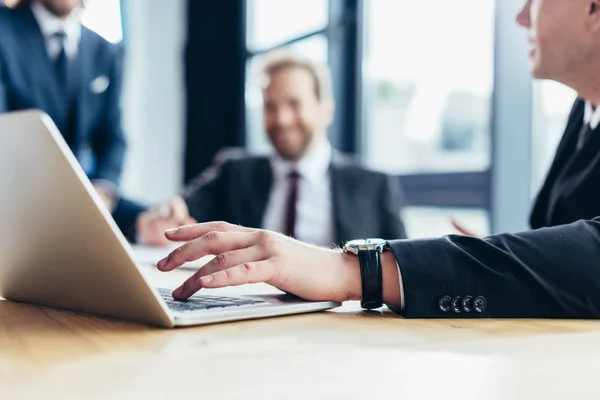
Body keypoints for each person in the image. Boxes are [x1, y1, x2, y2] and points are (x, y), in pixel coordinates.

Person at [155, 0, 600, 319]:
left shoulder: (372, 182)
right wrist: (501, 255)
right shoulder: (583, 112)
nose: (521, 14)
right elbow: (565, 249)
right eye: (270, 106)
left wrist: (355, 271)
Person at [136, 53, 407, 247]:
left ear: (326, 109)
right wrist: (165, 218)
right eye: (270, 106)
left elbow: (402, 268)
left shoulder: (374, 185)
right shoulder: (233, 171)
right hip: (252, 313)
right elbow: (182, 208)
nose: (281, 119)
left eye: (294, 104)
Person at [455, 0, 600, 236]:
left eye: (535, 2)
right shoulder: (583, 109)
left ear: (593, 9)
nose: (521, 18)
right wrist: (501, 264)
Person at [0, 0, 145, 235]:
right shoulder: (5, 30)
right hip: (16, 195)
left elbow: (112, 136)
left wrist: (103, 189)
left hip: (80, 195)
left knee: (152, 221)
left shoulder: (104, 50)